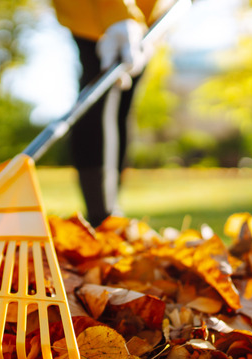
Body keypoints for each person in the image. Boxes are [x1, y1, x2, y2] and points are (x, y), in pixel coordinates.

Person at [51, 0, 171, 227]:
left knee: (124, 103)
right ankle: (101, 215)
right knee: (97, 98)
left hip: (150, 19)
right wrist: (118, 12)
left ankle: (111, 214)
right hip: (94, 13)